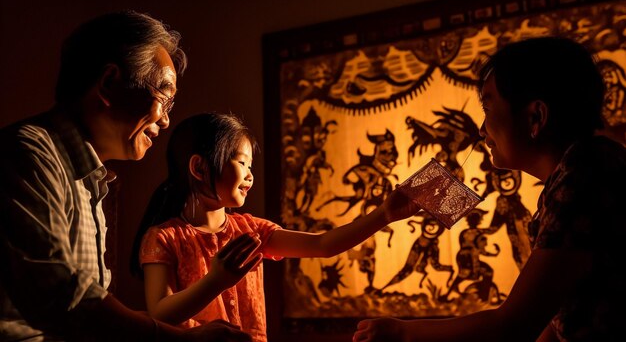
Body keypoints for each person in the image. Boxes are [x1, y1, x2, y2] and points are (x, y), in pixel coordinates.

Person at [0, 10, 252, 342]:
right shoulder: (28, 154)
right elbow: (63, 297)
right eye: (164, 98)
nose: (164, 121)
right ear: (108, 84)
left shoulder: (91, 181)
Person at [353, 36, 626, 342]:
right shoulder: (578, 172)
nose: (482, 129)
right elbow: (551, 319)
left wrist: (401, 331)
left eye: (488, 107)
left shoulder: (584, 179)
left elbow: (513, 325)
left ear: (536, 117)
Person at [130, 112, 420, 342]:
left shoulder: (251, 230)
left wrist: (384, 215)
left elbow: (323, 245)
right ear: (199, 168)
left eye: (251, 166)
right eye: (242, 162)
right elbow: (160, 312)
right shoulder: (163, 237)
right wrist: (216, 280)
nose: (250, 175)